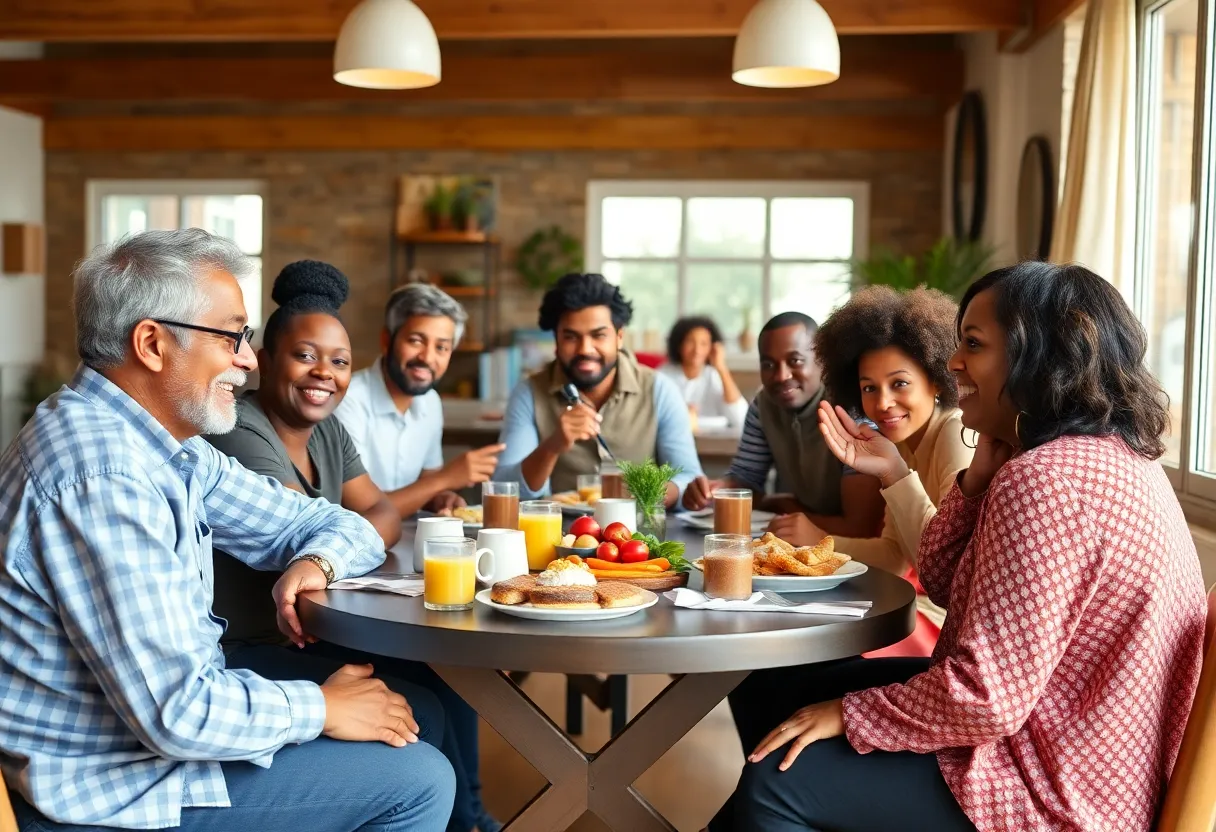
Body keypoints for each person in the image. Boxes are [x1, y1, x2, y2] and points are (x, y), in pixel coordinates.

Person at [713, 262, 1206, 832]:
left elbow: (985, 698)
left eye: (972, 344)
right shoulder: (1109, 457)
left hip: (1050, 783)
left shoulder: (1049, 479)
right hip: (1061, 744)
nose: (952, 362)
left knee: (775, 785)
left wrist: (852, 715)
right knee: (778, 686)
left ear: (1038, 357)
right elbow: (951, 587)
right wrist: (974, 484)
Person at [0, 230, 455, 832]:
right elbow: (176, 713)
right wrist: (321, 707)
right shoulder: (102, 474)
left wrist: (315, 561)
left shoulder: (168, 447)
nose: (247, 357)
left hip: (149, 746)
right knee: (420, 781)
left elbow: (338, 522)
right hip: (111, 789)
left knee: (419, 710)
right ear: (153, 344)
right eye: (232, 335)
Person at [206, 260, 499, 832]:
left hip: (318, 626)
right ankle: (404, 805)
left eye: (339, 361)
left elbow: (383, 510)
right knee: (425, 701)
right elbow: (310, 528)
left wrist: (340, 536)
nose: (325, 373)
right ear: (263, 360)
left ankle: (455, 815)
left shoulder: (329, 429)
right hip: (248, 644)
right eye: (305, 355)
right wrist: (341, 534)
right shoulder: (239, 428)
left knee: (442, 681)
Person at [764, 287, 972, 657]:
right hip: (910, 608)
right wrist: (818, 541)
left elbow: (945, 570)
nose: (883, 403)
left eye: (900, 383)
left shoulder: (955, 435)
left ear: (937, 380)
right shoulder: (904, 443)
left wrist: (893, 473)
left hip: (949, 628)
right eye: (868, 388)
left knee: (798, 655)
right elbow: (894, 555)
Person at [494, 273, 702, 504]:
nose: (585, 349)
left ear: (619, 337)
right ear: (556, 340)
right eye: (571, 337)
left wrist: (642, 494)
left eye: (598, 335)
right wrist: (551, 447)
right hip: (561, 534)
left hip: (637, 535)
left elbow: (689, 478)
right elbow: (504, 489)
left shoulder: (660, 389)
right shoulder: (529, 394)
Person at [682, 311, 885, 538]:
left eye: (795, 361)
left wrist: (792, 510)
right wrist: (714, 490)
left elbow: (859, 529)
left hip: (862, 557)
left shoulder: (852, 409)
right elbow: (747, 476)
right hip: (800, 545)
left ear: (822, 360)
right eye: (768, 364)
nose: (780, 375)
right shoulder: (763, 406)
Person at [335, 283, 504, 517]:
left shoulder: (430, 401)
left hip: (408, 539)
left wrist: (441, 498)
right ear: (386, 340)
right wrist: (446, 478)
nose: (427, 357)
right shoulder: (348, 401)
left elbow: (426, 485)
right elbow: (362, 513)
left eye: (442, 347)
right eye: (416, 340)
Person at [657, 316, 748, 428]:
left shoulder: (714, 375)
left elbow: (740, 418)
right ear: (679, 345)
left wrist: (721, 367)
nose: (697, 350)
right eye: (690, 342)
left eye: (704, 344)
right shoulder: (662, 375)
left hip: (712, 441)